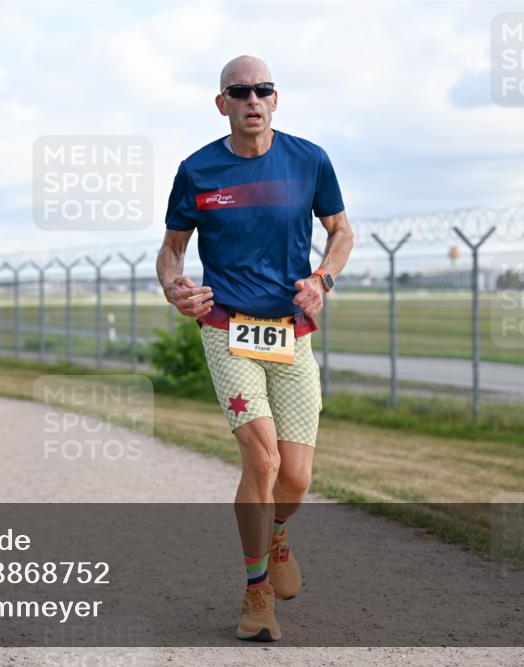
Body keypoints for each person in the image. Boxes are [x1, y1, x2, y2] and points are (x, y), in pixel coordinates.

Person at [156, 55, 354, 642]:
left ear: (275, 99)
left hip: (291, 331)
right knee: (262, 462)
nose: (252, 100)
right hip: (227, 328)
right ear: (222, 104)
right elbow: (172, 249)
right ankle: (256, 592)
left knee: (296, 478)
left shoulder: (309, 160)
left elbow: (341, 231)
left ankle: (277, 533)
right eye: (239, 92)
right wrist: (174, 287)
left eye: (262, 90)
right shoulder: (198, 170)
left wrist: (322, 280)